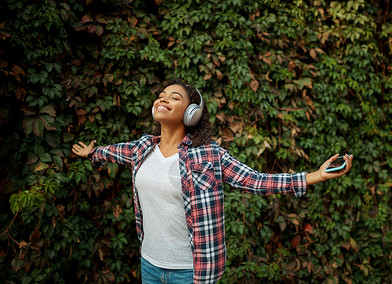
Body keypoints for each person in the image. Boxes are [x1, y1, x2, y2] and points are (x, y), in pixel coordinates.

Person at [72, 78, 353, 284]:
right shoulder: (141, 148)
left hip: (192, 271)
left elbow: (256, 180)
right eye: (161, 95)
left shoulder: (210, 155)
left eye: (174, 97)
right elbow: (113, 152)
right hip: (150, 265)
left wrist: (314, 175)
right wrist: (92, 153)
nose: (163, 99)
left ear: (191, 113)